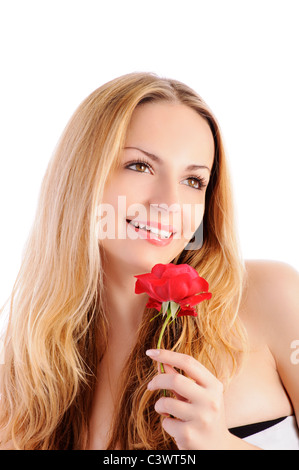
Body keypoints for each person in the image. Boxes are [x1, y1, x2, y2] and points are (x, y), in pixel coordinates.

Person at [0, 72, 298, 450]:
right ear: (82, 177)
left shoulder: (272, 296)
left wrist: (219, 444)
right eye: (140, 166)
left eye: (194, 181)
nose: (169, 204)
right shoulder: (24, 381)